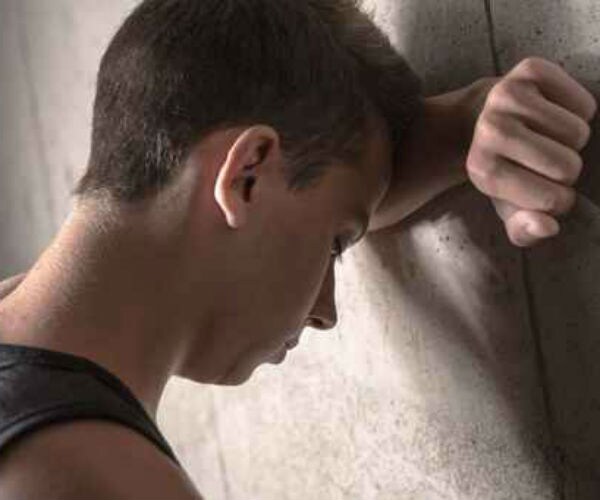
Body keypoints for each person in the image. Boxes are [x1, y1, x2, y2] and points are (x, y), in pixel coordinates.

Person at [0, 0, 595, 498]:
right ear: (248, 174)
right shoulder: (85, 479)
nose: (325, 311)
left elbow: (313, 191)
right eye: (337, 246)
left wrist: (470, 121)